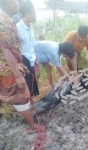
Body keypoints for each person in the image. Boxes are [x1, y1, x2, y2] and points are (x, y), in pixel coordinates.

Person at [0, 0, 42, 134]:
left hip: (14, 64)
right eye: (15, 1)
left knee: (24, 94)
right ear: (8, 3)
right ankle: (33, 126)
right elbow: (6, 51)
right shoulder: (3, 22)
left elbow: (13, 49)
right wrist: (17, 75)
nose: (18, 3)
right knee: (21, 96)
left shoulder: (8, 20)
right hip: (7, 69)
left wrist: (21, 63)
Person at [17, 0, 39, 97]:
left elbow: (33, 45)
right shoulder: (17, 28)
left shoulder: (31, 28)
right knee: (26, 89)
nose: (35, 16)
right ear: (27, 14)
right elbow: (16, 50)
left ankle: (31, 106)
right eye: (34, 13)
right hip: (23, 62)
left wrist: (36, 59)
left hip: (31, 61)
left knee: (32, 88)